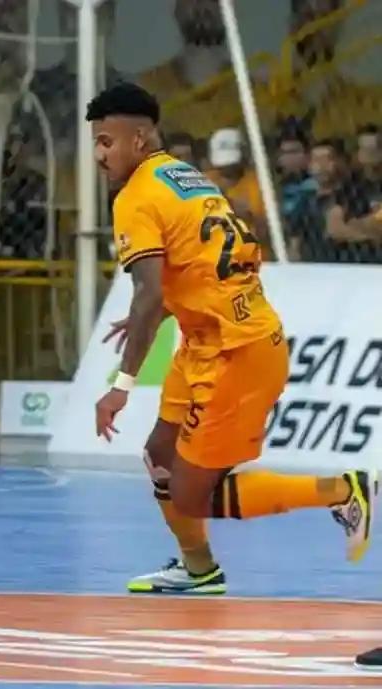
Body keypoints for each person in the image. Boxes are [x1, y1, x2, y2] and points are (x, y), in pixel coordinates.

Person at [87, 82, 377, 596]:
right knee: (160, 452)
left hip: (235, 352)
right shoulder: (184, 175)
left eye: (108, 141)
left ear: (141, 137)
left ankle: (340, 490)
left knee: (192, 495)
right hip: (208, 338)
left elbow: (149, 295)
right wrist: (155, 313)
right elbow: (194, 267)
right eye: (96, 141)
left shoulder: (135, 196)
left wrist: (120, 385)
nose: (98, 154)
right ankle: (199, 571)